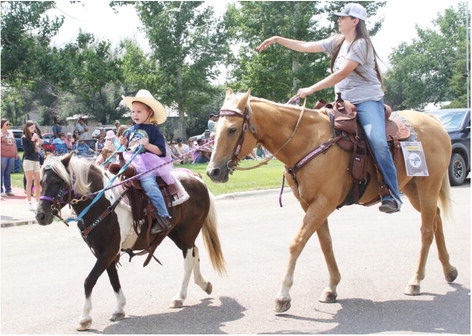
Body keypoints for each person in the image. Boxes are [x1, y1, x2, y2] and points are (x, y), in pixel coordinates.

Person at [256, 2, 401, 213]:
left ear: (355, 21)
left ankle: (392, 194)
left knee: (377, 141)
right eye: (339, 17)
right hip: (344, 103)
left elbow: (341, 74)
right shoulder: (338, 41)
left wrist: (311, 89)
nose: (338, 20)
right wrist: (278, 39)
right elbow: (306, 46)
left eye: (343, 17)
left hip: (367, 102)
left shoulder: (361, 44)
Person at [120, 89, 173, 235]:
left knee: (149, 185)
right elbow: (130, 147)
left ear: (149, 112)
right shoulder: (131, 130)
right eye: (133, 112)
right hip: (130, 160)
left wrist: (148, 145)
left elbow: (160, 151)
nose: (135, 115)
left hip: (148, 164)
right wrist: (124, 144)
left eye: (139, 112)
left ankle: (163, 216)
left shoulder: (154, 130)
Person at [22, 120, 43, 211]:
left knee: (38, 182)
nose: (33, 129)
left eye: (34, 127)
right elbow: (27, 150)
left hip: (36, 160)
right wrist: (32, 140)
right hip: (28, 160)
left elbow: (37, 147)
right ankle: (29, 202)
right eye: (31, 128)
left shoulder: (35, 136)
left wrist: (38, 146)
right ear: (27, 128)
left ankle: (37, 202)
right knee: (29, 181)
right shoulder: (24, 137)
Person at [1, 119, 19, 197]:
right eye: (7, 124)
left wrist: (16, 153)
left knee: (8, 173)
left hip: (11, 155)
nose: (8, 126)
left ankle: (8, 190)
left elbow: (14, 143)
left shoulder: (11, 132)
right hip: (3, 156)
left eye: (9, 124)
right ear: (2, 124)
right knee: (1, 173)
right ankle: (1, 191)